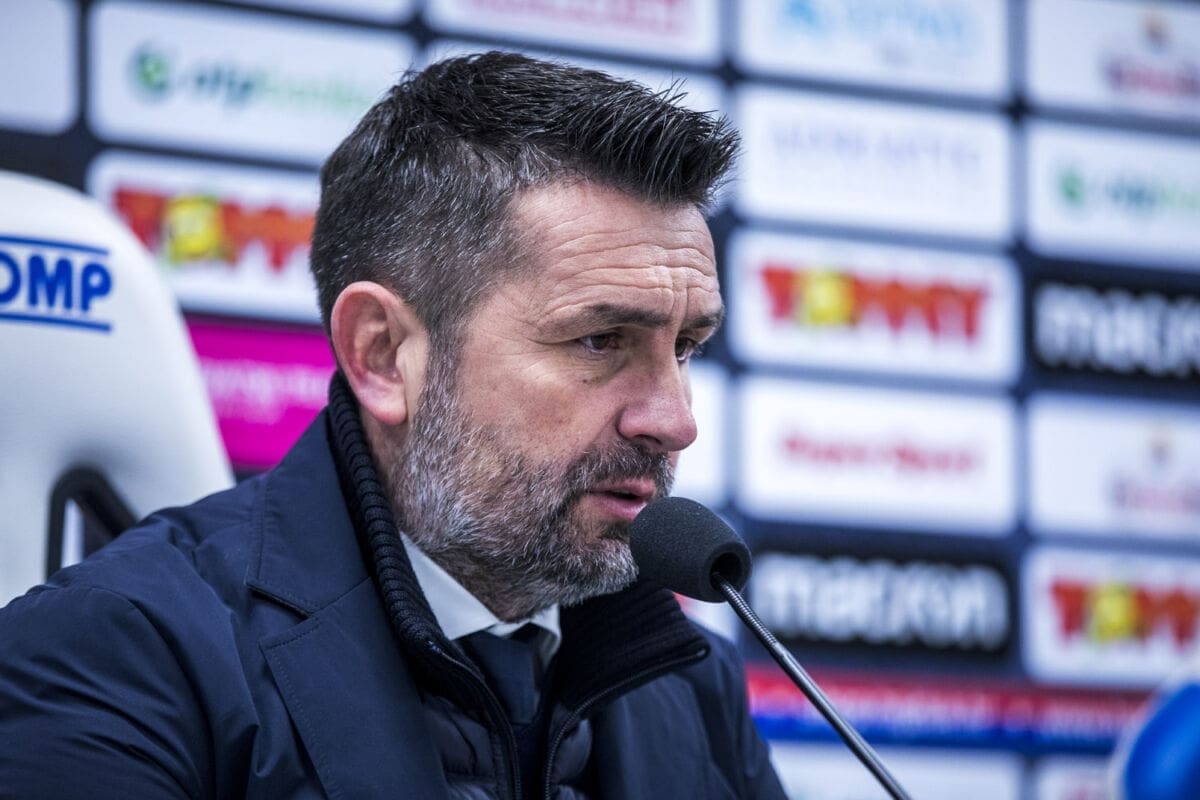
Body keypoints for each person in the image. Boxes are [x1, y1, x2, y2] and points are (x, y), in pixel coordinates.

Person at [0, 53, 785, 799]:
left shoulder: (693, 683)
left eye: (686, 347)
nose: (674, 421)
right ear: (382, 354)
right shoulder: (118, 653)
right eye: (599, 340)